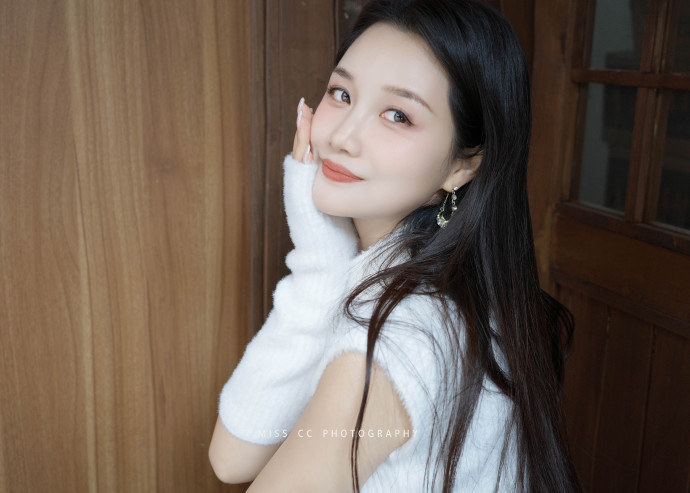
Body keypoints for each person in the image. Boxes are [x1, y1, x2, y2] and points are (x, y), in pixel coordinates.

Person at [209, 0, 582, 491]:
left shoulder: (404, 335)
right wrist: (320, 264)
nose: (343, 136)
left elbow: (231, 459)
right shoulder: (440, 296)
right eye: (341, 93)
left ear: (463, 165)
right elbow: (233, 457)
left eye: (397, 115)